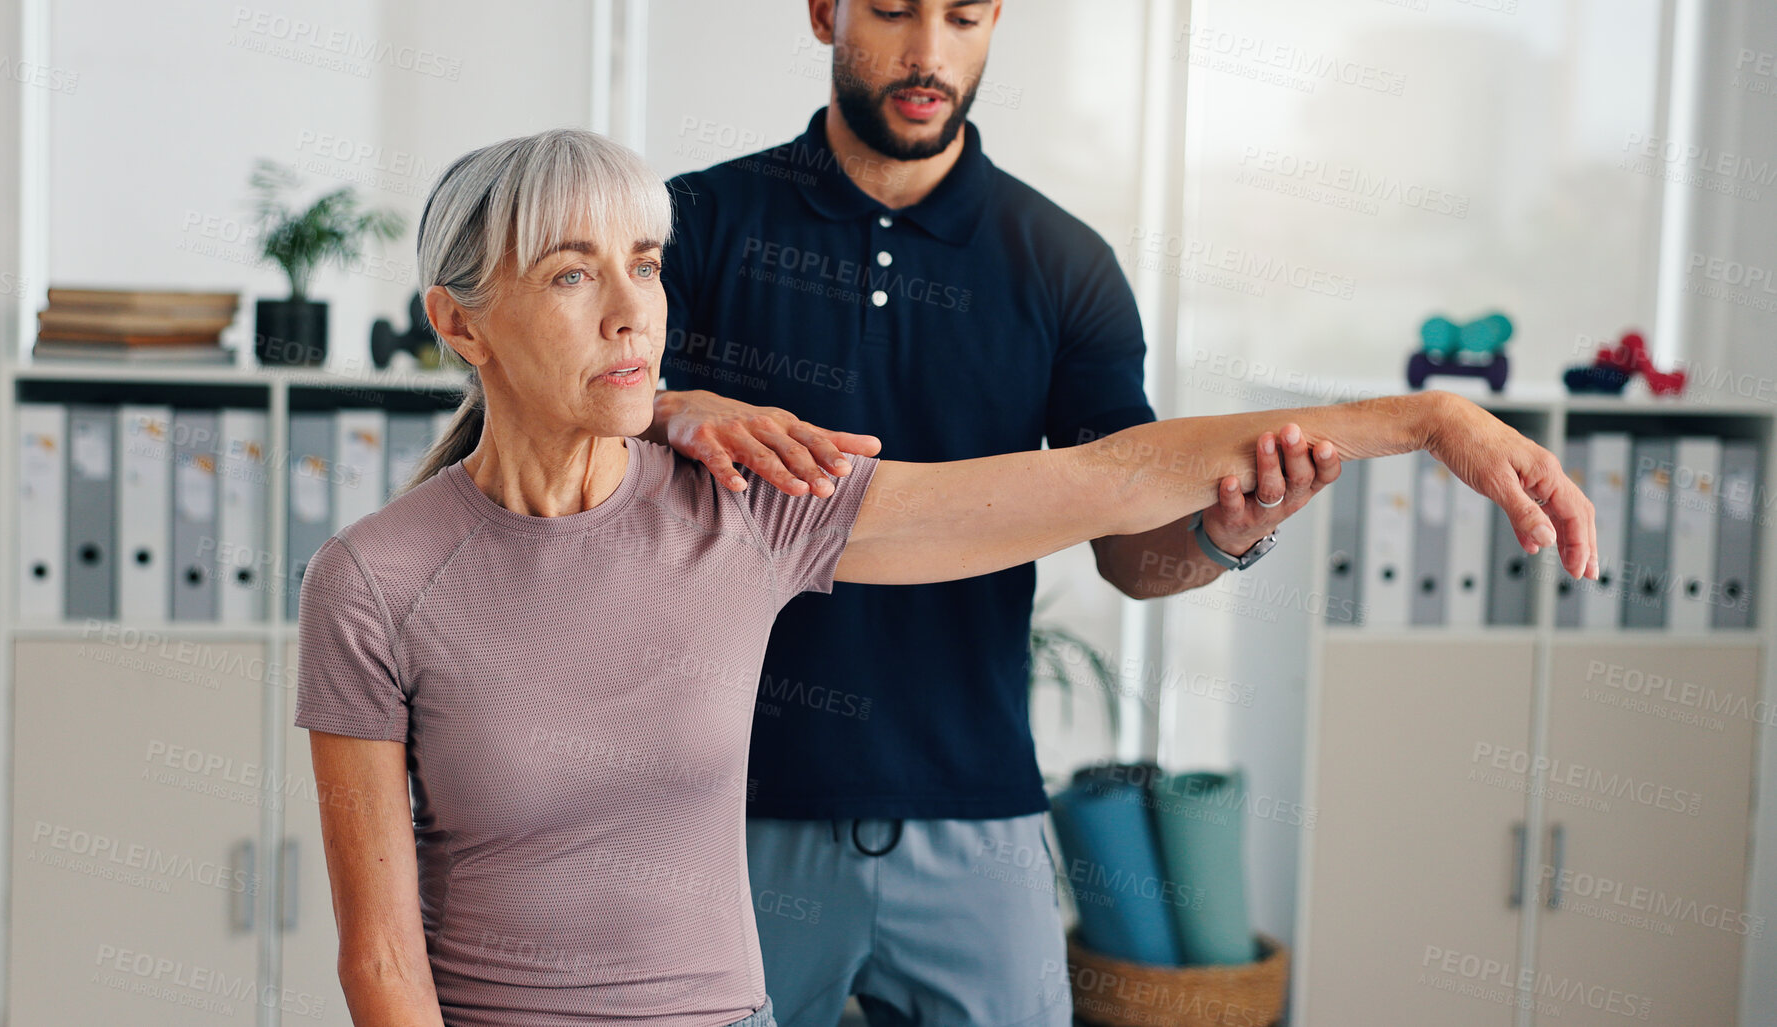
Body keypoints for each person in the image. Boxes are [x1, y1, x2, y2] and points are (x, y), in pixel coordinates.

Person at [294, 127, 1596, 1027]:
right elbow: (380, 950)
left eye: (642, 262)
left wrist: (1418, 419)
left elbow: (1098, 476)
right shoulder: (373, 580)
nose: (630, 307)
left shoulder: (741, 510)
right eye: (573, 273)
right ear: (457, 321)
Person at [643, 3, 1349, 1022]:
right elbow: (565, 436)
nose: (930, 53)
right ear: (823, 12)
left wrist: (1220, 535)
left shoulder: (1064, 263)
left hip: (978, 816)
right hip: (732, 812)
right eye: (891, 11)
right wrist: (670, 408)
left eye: (964, 15)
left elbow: (1130, 554)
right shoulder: (697, 225)